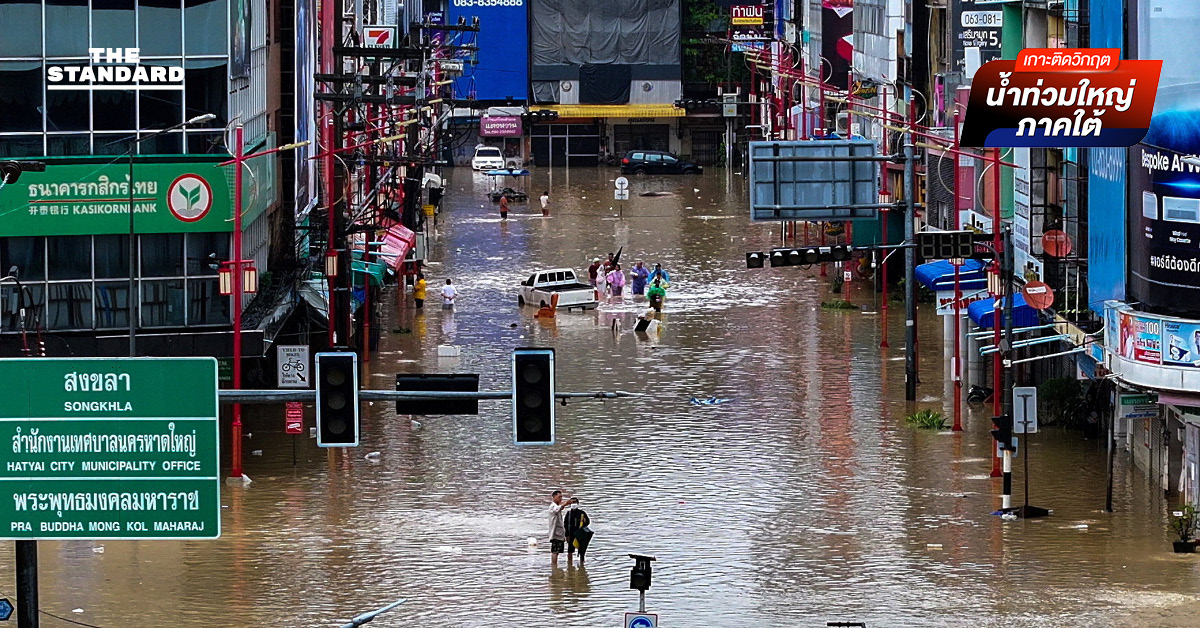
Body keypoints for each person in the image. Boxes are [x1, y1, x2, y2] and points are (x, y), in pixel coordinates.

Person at [548, 490, 579, 560]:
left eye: (561, 497)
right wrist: (566, 503)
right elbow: (556, 509)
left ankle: (555, 567)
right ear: (554, 497)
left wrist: (563, 506)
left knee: (557, 551)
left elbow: (559, 508)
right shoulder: (552, 506)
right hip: (555, 533)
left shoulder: (557, 506)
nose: (560, 499)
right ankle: (554, 567)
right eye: (559, 497)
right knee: (555, 551)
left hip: (559, 533)